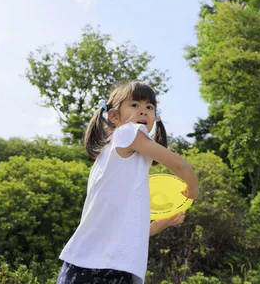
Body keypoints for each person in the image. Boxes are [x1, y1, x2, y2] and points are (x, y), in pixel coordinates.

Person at [57, 80, 199, 284]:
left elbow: (136, 233)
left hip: (104, 266)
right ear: (115, 116)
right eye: (135, 105)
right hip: (93, 266)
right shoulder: (127, 133)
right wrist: (192, 191)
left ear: (155, 117)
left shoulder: (117, 160)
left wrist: (165, 221)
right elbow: (181, 166)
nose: (143, 111)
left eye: (149, 107)